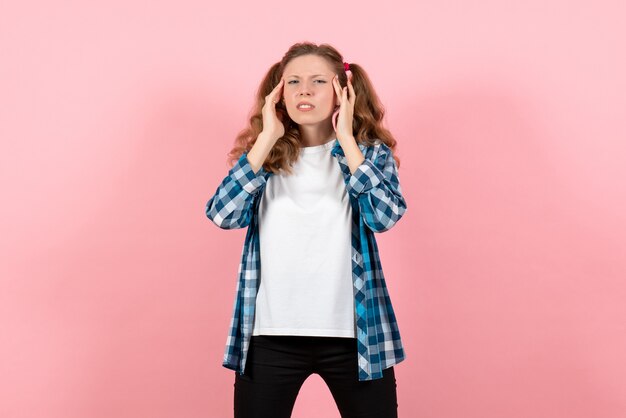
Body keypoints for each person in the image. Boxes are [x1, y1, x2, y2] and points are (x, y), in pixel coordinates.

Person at [205, 41, 408, 418]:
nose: (304, 90)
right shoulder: (265, 157)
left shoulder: (368, 154)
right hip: (270, 337)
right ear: (278, 94)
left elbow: (384, 217)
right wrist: (266, 137)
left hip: (356, 337)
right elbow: (222, 214)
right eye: (293, 81)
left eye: (318, 81)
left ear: (342, 91)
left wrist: (347, 140)